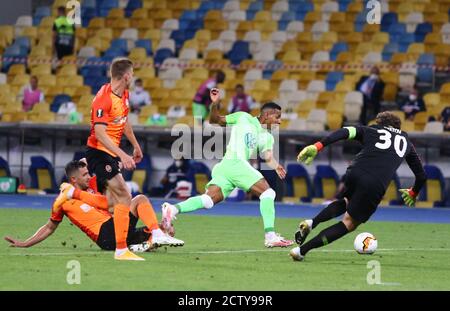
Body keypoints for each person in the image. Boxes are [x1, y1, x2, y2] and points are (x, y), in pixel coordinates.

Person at [162, 88, 294, 248]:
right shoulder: (243, 117)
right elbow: (215, 120)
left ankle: (172, 210)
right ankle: (271, 236)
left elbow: (267, 156)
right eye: (277, 117)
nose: (279, 121)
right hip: (232, 162)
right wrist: (215, 104)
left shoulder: (267, 137)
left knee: (208, 200)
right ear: (266, 115)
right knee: (268, 192)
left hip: (229, 167)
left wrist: (276, 166)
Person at [289, 111, 427, 261]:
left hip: (354, 171)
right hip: (375, 183)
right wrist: (413, 192)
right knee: (349, 223)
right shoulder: (406, 142)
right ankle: (301, 251)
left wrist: (318, 146)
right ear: (398, 127)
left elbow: (344, 131)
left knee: (347, 201)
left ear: (380, 123)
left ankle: (312, 222)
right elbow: (421, 176)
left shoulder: (371, 130)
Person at [3, 160, 183, 253]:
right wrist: (25, 243)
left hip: (117, 230)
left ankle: (149, 240)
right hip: (105, 235)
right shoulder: (62, 201)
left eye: (89, 173)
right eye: (85, 174)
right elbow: (50, 227)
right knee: (140, 199)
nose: (89, 176)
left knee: (166, 230)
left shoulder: (93, 189)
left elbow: (113, 204)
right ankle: (150, 239)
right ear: (73, 179)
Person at [85, 57, 144, 261]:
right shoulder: (103, 98)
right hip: (98, 152)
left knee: (120, 198)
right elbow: (100, 133)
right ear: (126, 76)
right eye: (133, 74)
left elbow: (124, 121)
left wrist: (135, 145)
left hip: (109, 153)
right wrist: (123, 154)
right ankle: (121, 248)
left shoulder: (124, 95)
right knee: (123, 195)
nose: (134, 77)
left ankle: (121, 244)